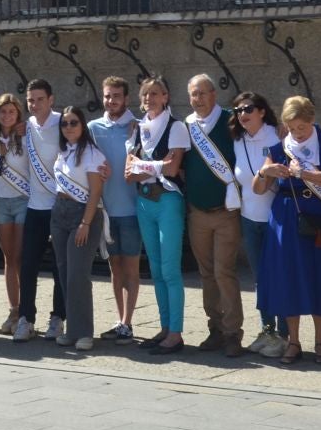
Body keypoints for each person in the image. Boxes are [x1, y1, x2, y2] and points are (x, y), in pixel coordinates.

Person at [253, 96, 321, 364]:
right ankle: (293, 341)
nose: (297, 133)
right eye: (292, 127)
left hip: (317, 219)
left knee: (319, 276)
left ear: (312, 121)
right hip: (286, 218)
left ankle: (320, 342)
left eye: (302, 127)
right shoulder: (279, 147)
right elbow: (257, 188)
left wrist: (303, 173)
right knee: (289, 278)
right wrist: (266, 172)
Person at [126, 75, 191, 355]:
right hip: (144, 202)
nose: (150, 98)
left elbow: (173, 168)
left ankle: (175, 332)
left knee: (170, 269)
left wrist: (145, 166)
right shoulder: (138, 128)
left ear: (165, 97)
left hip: (167, 201)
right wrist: (155, 165)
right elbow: (129, 172)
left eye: (155, 93)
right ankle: (164, 327)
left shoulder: (176, 127)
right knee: (154, 269)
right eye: (146, 94)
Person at [184, 74, 244, 357]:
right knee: (206, 274)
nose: (198, 99)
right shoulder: (186, 126)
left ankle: (233, 332)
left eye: (202, 93)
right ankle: (215, 329)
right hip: (197, 212)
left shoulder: (231, 120)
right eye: (193, 94)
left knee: (224, 272)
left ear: (214, 94)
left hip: (225, 212)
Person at [89, 77, 143, 341]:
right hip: (106, 212)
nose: (112, 101)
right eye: (108, 96)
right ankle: (120, 320)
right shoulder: (92, 127)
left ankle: (128, 321)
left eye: (117, 96)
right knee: (115, 269)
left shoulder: (138, 128)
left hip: (132, 211)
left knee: (132, 269)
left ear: (127, 98)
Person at [51, 103, 108, 351]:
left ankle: (84, 332)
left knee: (78, 275)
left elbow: (95, 192)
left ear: (82, 125)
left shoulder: (92, 154)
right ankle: (72, 330)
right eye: (64, 123)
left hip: (83, 215)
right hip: (60, 212)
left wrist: (85, 222)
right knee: (64, 274)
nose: (68, 127)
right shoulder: (63, 152)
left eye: (74, 122)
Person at [231, 92, 284, 356]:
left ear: (262, 111)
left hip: (276, 219)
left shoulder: (278, 135)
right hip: (249, 218)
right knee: (260, 278)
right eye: (238, 110)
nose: (242, 114)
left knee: (279, 276)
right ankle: (267, 329)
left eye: (248, 108)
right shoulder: (238, 141)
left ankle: (285, 333)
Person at [17, 80, 65, 343]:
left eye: (39, 99)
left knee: (60, 267)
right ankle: (26, 318)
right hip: (35, 206)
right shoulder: (26, 127)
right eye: (30, 100)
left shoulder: (64, 123)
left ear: (50, 99)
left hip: (60, 206)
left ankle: (58, 318)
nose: (34, 104)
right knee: (28, 265)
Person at [0, 93, 31, 330]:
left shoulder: (25, 137)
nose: (7, 116)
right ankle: (13, 310)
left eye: (11, 112)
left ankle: (26, 310)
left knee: (21, 256)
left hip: (23, 199)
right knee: (8, 258)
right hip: (1, 201)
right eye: (3, 112)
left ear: (18, 114)